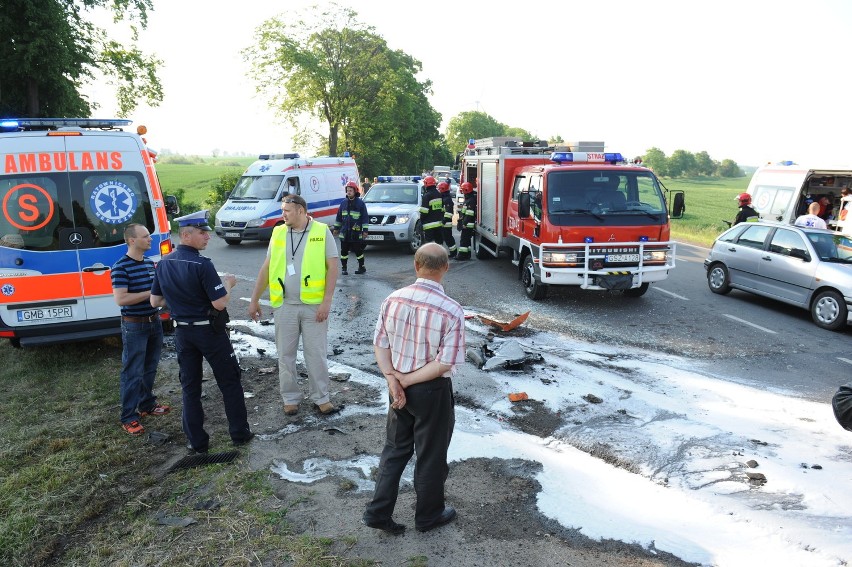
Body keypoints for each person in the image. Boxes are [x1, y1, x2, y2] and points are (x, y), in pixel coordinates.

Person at [362, 243, 465, 535]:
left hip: (397, 388)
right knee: (431, 454)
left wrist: (393, 379)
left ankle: (378, 512)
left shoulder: (393, 299)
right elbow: (446, 362)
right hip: (430, 391)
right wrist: (405, 380)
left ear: (416, 265)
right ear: (446, 268)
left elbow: (380, 343)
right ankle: (428, 516)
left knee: (395, 450)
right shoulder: (452, 310)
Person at [150, 210, 253, 453]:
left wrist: (179, 302)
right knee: (229, 382)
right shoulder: (202, 264)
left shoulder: (164, 263)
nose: (208, 236)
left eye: (207, 232)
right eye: (202, 232)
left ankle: (197, 442)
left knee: (190, 387)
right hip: (209, 333)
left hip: (183, 334)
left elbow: (155, 301)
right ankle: (239, 434)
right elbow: (219, 303)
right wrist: (228, 283)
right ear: (186, 235)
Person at [248, 195, 341, 416]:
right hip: (285, 305)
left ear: (300, 211)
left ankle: (322, 397)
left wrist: (326, 302)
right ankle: (290, 398)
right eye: (282, 210)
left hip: (313, 306)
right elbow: (267, 267)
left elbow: (333, 267)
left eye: (287, 211)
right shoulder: (278, 232)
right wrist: (254, 299)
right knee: (285, 355)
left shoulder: (321, 231)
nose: (283, 214)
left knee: (316, 354)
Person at [111, 223, 168, 436]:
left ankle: (147, 405)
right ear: (132, 240)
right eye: (145, 236)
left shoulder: (149, 263)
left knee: (150, 367)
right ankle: (128, 416)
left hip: (154, 322)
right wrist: (150, 292)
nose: (150, 239)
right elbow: (121, 298)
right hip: (134, 324)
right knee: (132, 371)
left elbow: (158, 293)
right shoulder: (120, 267)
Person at [333, 180, 369, 275]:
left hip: (356, 233)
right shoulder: (343, 203)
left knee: (358, 251)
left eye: (350, 190)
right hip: (345, 233)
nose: (348, 192)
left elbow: (365, 218)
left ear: (355, 191)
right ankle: (344, 268)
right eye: (347, 190)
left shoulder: (360, 204)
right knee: (343, 252)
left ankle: (362, 267)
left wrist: (365, 231)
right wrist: (336, 228)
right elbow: (339, 217)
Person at [419, 176, 444, 245]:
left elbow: (424, 211)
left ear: (426, 184)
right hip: (439, 224)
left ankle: (430, 256)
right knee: (439, 244)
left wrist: (421, 221)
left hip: (428, 225)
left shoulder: (426, 196)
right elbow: (442, 209)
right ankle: (440, 255)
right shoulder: (439, 194)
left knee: (429, 245)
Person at [455, 181, 477, 260]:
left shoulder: (470, 200)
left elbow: (469, 214)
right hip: (467, 223)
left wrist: (464, 223)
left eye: (463, 190)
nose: (462, 192)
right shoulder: (469, 199)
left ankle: (462, 256)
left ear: (466, 190)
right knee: (467, 241)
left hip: (467, 224)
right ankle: (467, 254)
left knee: (464, 240)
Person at [437, 181, 457, 258]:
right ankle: (451, 253)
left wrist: (443, 221)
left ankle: (454, 253)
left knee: (448, 238)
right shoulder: (444, 197)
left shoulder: (447, 199)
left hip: (446, 223)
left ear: (442, 189)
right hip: (443, 222)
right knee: (445, 238)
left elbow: (449, 212)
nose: (438, 190)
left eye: (439, 189)